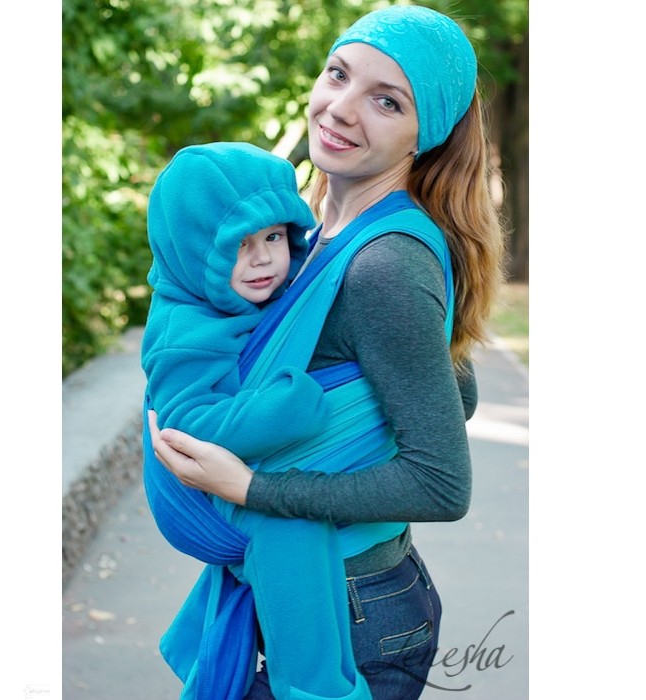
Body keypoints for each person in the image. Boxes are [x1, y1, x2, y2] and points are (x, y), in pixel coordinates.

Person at [149, 4, 506, 699]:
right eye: (338, 74)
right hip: (320, 593)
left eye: (386, 100)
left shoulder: (383, 264)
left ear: (425, 132)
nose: (341, 108)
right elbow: (452, 391)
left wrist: (253, 488)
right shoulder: (310, 240)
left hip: (350, 613)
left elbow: (441, 483)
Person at [142, 141, 379, 700]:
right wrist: (289, 406)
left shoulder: (261, 294)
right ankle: (315, 688)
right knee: (288, 523)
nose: (263, 259)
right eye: (238, 245)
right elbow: (186, 427)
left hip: (216, 476)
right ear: (194, 250)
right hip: (190, 495)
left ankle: (209, 645)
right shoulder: (185, 327)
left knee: (294, 523)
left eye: (273, 237)